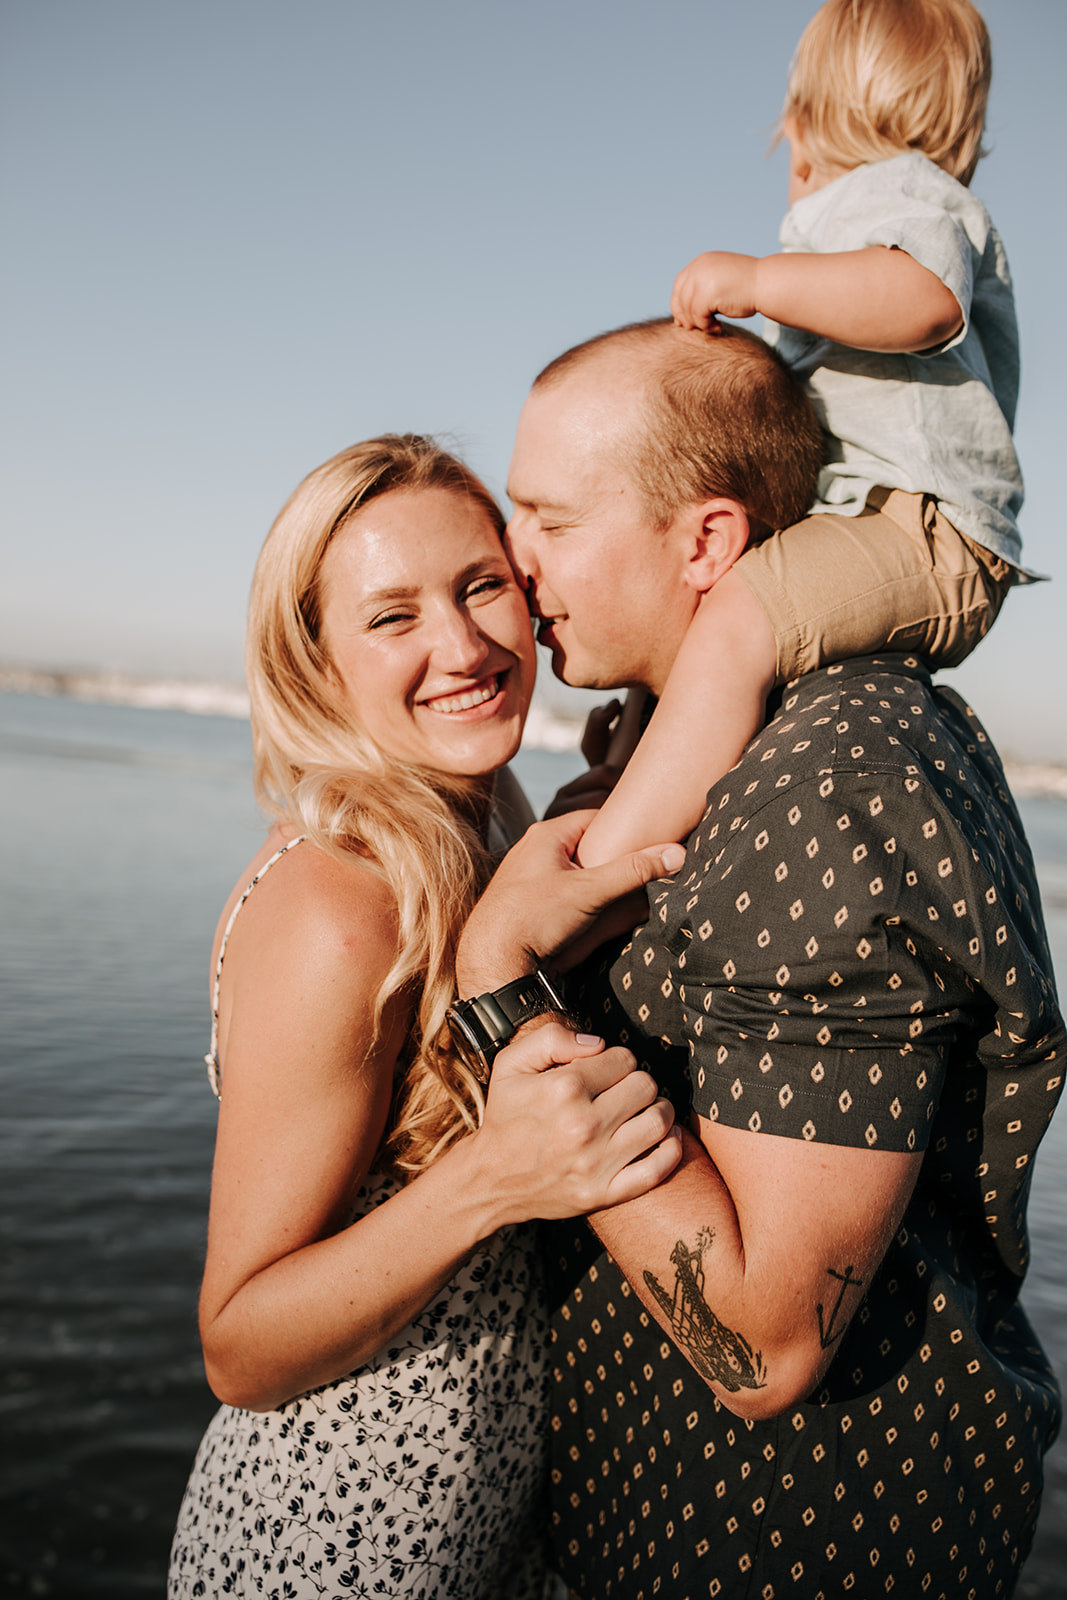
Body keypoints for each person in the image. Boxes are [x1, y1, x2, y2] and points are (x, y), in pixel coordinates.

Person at [456, 318, 1064, 1597]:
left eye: (551, 522)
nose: (514, 565)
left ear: (707, 542)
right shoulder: (687, 743)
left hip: (791, 1541)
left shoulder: (830, 781)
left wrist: (499, 989)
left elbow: (763, 1344)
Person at [167, 434, 687, 1600]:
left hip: (478, 1530)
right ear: (316, 658)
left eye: (480, 586)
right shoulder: (339, 904)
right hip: (327, 1545)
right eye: (391, 617)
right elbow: (238, 1342)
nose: (461, 646)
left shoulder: (484, 816)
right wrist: (499, 1175)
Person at [577, 0, 1033, 873]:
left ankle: (603, 871)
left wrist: (757, 280)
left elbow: (924, 301)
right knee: (706, 604)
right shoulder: (868, 210)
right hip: (873, 518)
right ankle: (627, 776)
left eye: (789, 139)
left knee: (740, 621)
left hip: (923, 528)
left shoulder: (901, 191)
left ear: (820, 117)